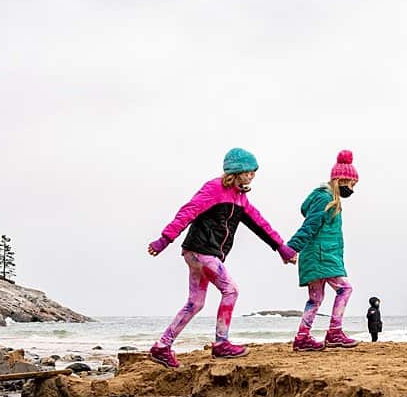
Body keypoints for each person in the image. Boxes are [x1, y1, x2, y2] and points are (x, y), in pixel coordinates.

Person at [145, 147, 297, 368]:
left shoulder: (240, 198)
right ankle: (221, 343)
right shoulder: (214, 189)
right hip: (201, 250)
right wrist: (164, 239)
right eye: (248, 171)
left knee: (195, 303)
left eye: (254, 171)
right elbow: (188, 212)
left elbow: (259, 223)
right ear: (235, 172)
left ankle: (161, 347)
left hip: (203, 253)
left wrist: (281, 247)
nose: (252, 175)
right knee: (231, 290)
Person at [286, 150, 360, 351]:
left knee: (315, 299)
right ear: (341, 180)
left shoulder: (329, 199)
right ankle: (335, 332)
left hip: (318, 255)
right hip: (321, 255)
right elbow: (310, 225)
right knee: (345, 289)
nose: (352, 189)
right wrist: (291, 248)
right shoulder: (325, 198)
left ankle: (302, 338)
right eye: (351, 184)